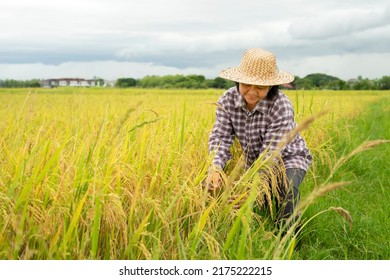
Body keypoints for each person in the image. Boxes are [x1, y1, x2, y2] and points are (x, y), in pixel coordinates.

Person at [206, 48, 312, 228]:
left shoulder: (281, 106)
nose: (252, 92)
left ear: (271, 87)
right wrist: (215, 168)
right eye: (246, 84)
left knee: (287, 192)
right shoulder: (227, 101)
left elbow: (271, 153)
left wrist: (252, 190)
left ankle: (289, 239)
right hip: (255, 161)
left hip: (289, 158)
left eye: (260, 87)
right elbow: (221, 138)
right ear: (238, 80)